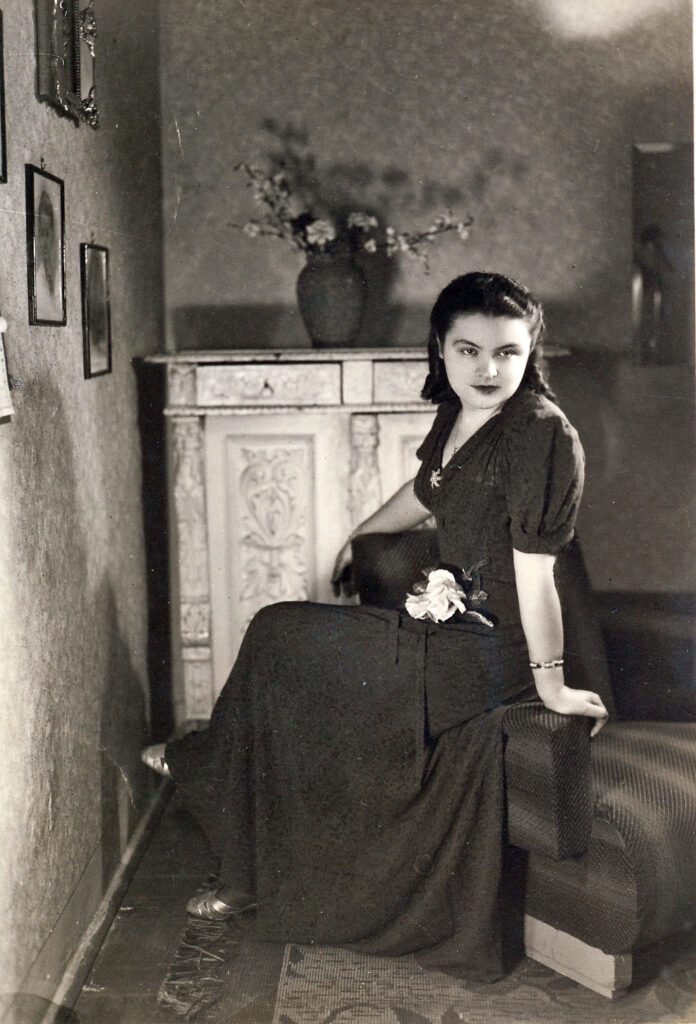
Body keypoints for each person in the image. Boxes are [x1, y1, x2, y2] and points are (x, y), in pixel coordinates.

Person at [142, 271, 608, 982]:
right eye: (469, 349)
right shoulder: (461, 413)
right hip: (451, 632)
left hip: (496, 654)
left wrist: (552, 690)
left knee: (278, 634)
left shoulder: (541, 433)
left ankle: (206, 775)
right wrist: (356, 534)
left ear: (530, 351)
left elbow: (539, 578)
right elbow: (423, 493)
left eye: (507, 352)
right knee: (286, 652)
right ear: (442, 350)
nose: (488, 369)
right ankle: (244, 865)